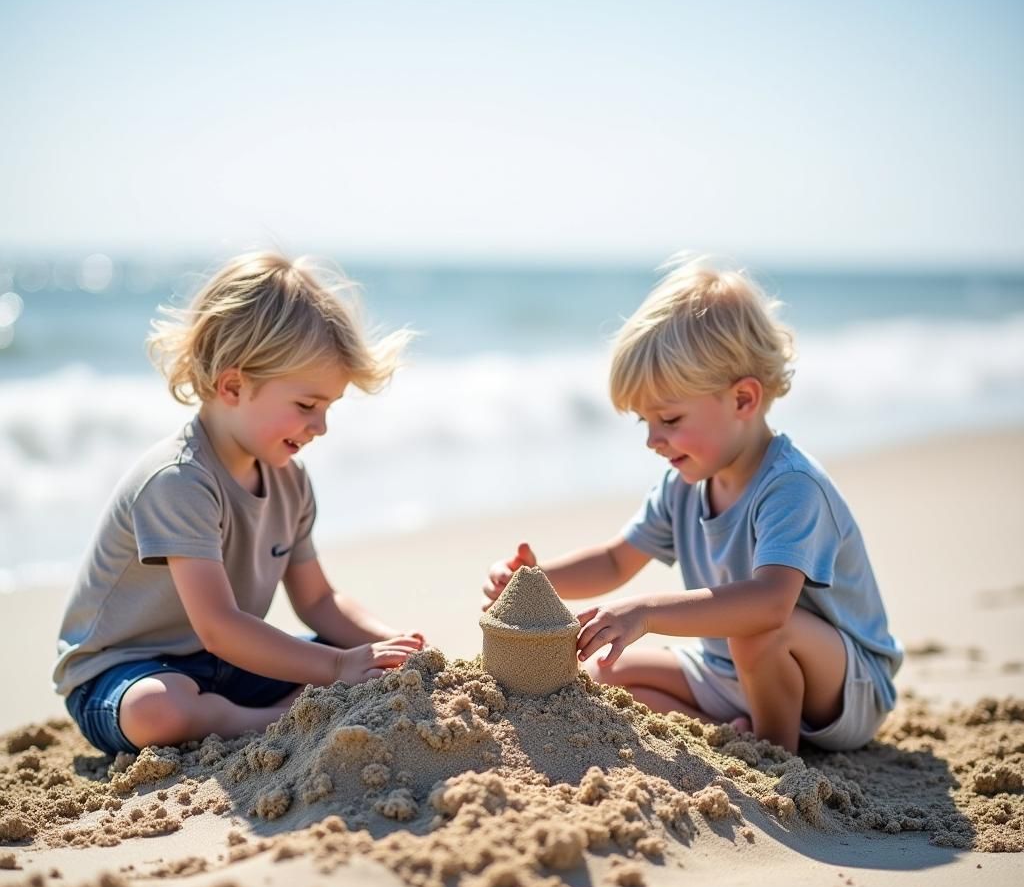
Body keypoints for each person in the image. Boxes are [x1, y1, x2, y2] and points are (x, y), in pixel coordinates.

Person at [484, 258, 901, 753]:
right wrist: (536, 580)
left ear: (744, 400)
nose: (653, 440)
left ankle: (775, 752)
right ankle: (733, 731)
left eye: (670, 418)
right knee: (603, 671)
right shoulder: (683, 485)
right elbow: (617, 560)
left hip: (841, 688)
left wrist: (645, 612)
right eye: (644, 422)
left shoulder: (791, 486)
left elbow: (770, 605)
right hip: (731, 670)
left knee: (757, 633)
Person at [56, 252, 425, 755]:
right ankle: (269, 720)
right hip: (125, 673)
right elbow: (219, 626)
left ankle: (265, 710)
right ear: (232, 385)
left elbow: (317, 600)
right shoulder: (179, 480)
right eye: (306, 406)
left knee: (361, 658)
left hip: (226, 667)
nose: (320, 427)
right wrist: (338, 669)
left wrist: (394, 645)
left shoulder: (289, 481)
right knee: (159, 709)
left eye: (328, 409)